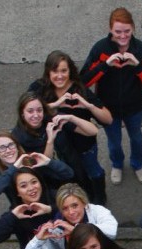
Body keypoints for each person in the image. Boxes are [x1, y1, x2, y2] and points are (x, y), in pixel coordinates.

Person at [81, 6, 142, 185]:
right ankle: (117, 164)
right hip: (108, 108)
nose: (123, 36)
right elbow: (83, 81)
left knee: (136, 138)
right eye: (118, 32)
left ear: (133, 28)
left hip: (134, 107)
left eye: (127, 31)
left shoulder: (140, 49)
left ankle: (137, 164)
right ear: (110, 29)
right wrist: (105, 65)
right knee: (114, 141)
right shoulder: (100, 48)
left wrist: (137, 65)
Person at [30, 50, 113, 205]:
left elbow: (108, 119)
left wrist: (88, 105)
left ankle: (100, 199)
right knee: (73, 175)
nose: (59, 76)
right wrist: (55, 104)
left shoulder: (79, 90)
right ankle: (83, 198)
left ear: (70, 71)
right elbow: (27, 109)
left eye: (64, 71)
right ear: (48, 72)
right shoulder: (39, 87)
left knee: (94, 172)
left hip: (84, 145)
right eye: (55, 71)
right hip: (61, 147)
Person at [21, 183, 118, 249]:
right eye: (65, 208)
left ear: (84, 203)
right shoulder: (55, 230)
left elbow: (112, 231)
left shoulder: (96, 211)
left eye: (75, 206)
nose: (71, 212)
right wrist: (38, 239)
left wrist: (76, 230)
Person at [0, 131, 73, 207]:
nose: (8, 150)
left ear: (17, 146)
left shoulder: (30, 159)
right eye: (2, 148)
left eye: (11, 145)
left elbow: (68, 174)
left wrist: (49, 162)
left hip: (49, 204)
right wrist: (14, 168)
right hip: (21, 211)